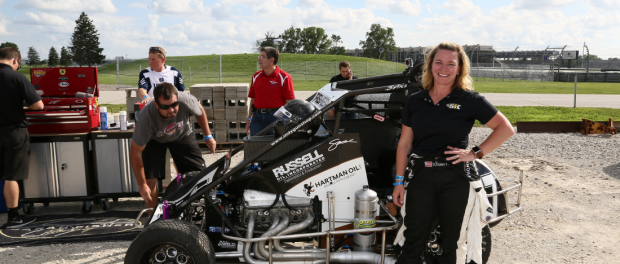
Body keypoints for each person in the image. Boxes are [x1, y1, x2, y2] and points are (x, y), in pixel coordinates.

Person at [392, 42, 514, 264]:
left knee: (453, 244)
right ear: (430, 66)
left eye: (451, 64)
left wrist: (475, 152)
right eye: (438, 62)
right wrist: (399, 181)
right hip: (421, 178)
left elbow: (505, 128)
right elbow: (405, 144)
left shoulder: (469, 99)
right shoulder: (416, 101)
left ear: (459, 69)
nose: (444, 68)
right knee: (412, 243)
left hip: (455, 180)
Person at [130, 83, 216, 209]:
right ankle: (153, 219)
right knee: (150, 181)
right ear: (156, 104)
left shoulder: (185, 99)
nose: (171, 110)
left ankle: (188, 209)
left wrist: (208, 136)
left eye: (174, 105)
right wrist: (142, 184)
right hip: (154, 140)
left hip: (181, 134)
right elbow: (135, 152)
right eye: (165, 107)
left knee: (199, 174)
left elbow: (199, 111)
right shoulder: (146, 117)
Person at [0, 47, 44, 228]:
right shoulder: (17, 77)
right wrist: (22, 101)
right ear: (15, 60)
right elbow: (38, 105)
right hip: (13, 132)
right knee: (11, 175)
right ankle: (14, 217)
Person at [245, 46, 295, 136]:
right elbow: (253, 99)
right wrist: (249, 118)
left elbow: (290, 103)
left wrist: (287, 121)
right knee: (256, 146)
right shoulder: (256, 76)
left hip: (277, 117)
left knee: (275, 147)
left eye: (262, 57)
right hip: (257, 117)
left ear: (271, 60)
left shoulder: (284, 77)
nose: (259, 59)